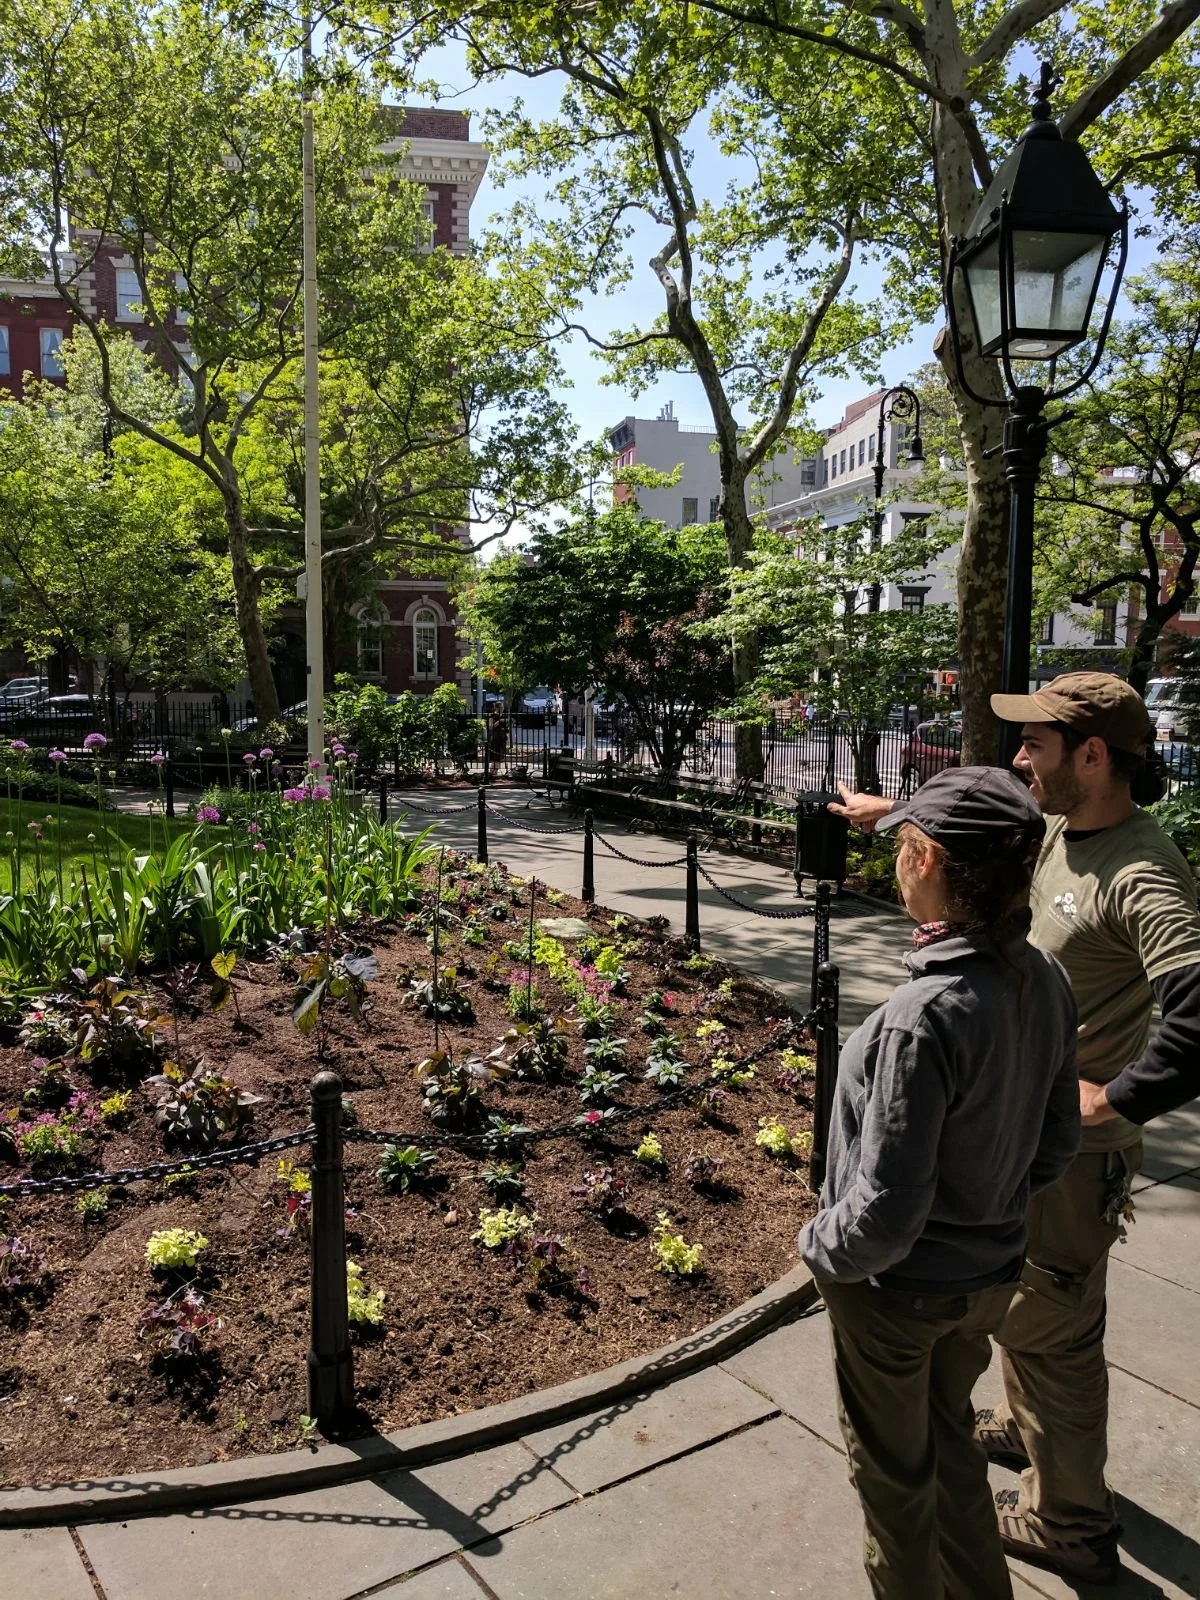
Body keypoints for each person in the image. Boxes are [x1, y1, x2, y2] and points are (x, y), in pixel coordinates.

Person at [828, 671, 1200, 1585]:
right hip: (1021, 1127)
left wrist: (1113, 1099)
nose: (1017, 758)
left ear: (1094, 754)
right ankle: (1016, 1427)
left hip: (1072, 1155)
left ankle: (1070, 1520)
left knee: (1059, 1333)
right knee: (1018, 1303)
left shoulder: (1139, 870)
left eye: (1034, 745)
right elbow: (978, 840)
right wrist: (895, 812)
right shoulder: (1061, 830)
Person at [800, 765, 1080, 1600]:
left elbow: (885, 1212)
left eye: (901, 850)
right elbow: (1055, 1146)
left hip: (898, 1296)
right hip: (986, 1281)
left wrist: (818, 1245)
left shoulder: (921, 1018)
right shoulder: (1043, 977)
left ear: (924, 860)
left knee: (895, 1489)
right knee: (952, 1446)